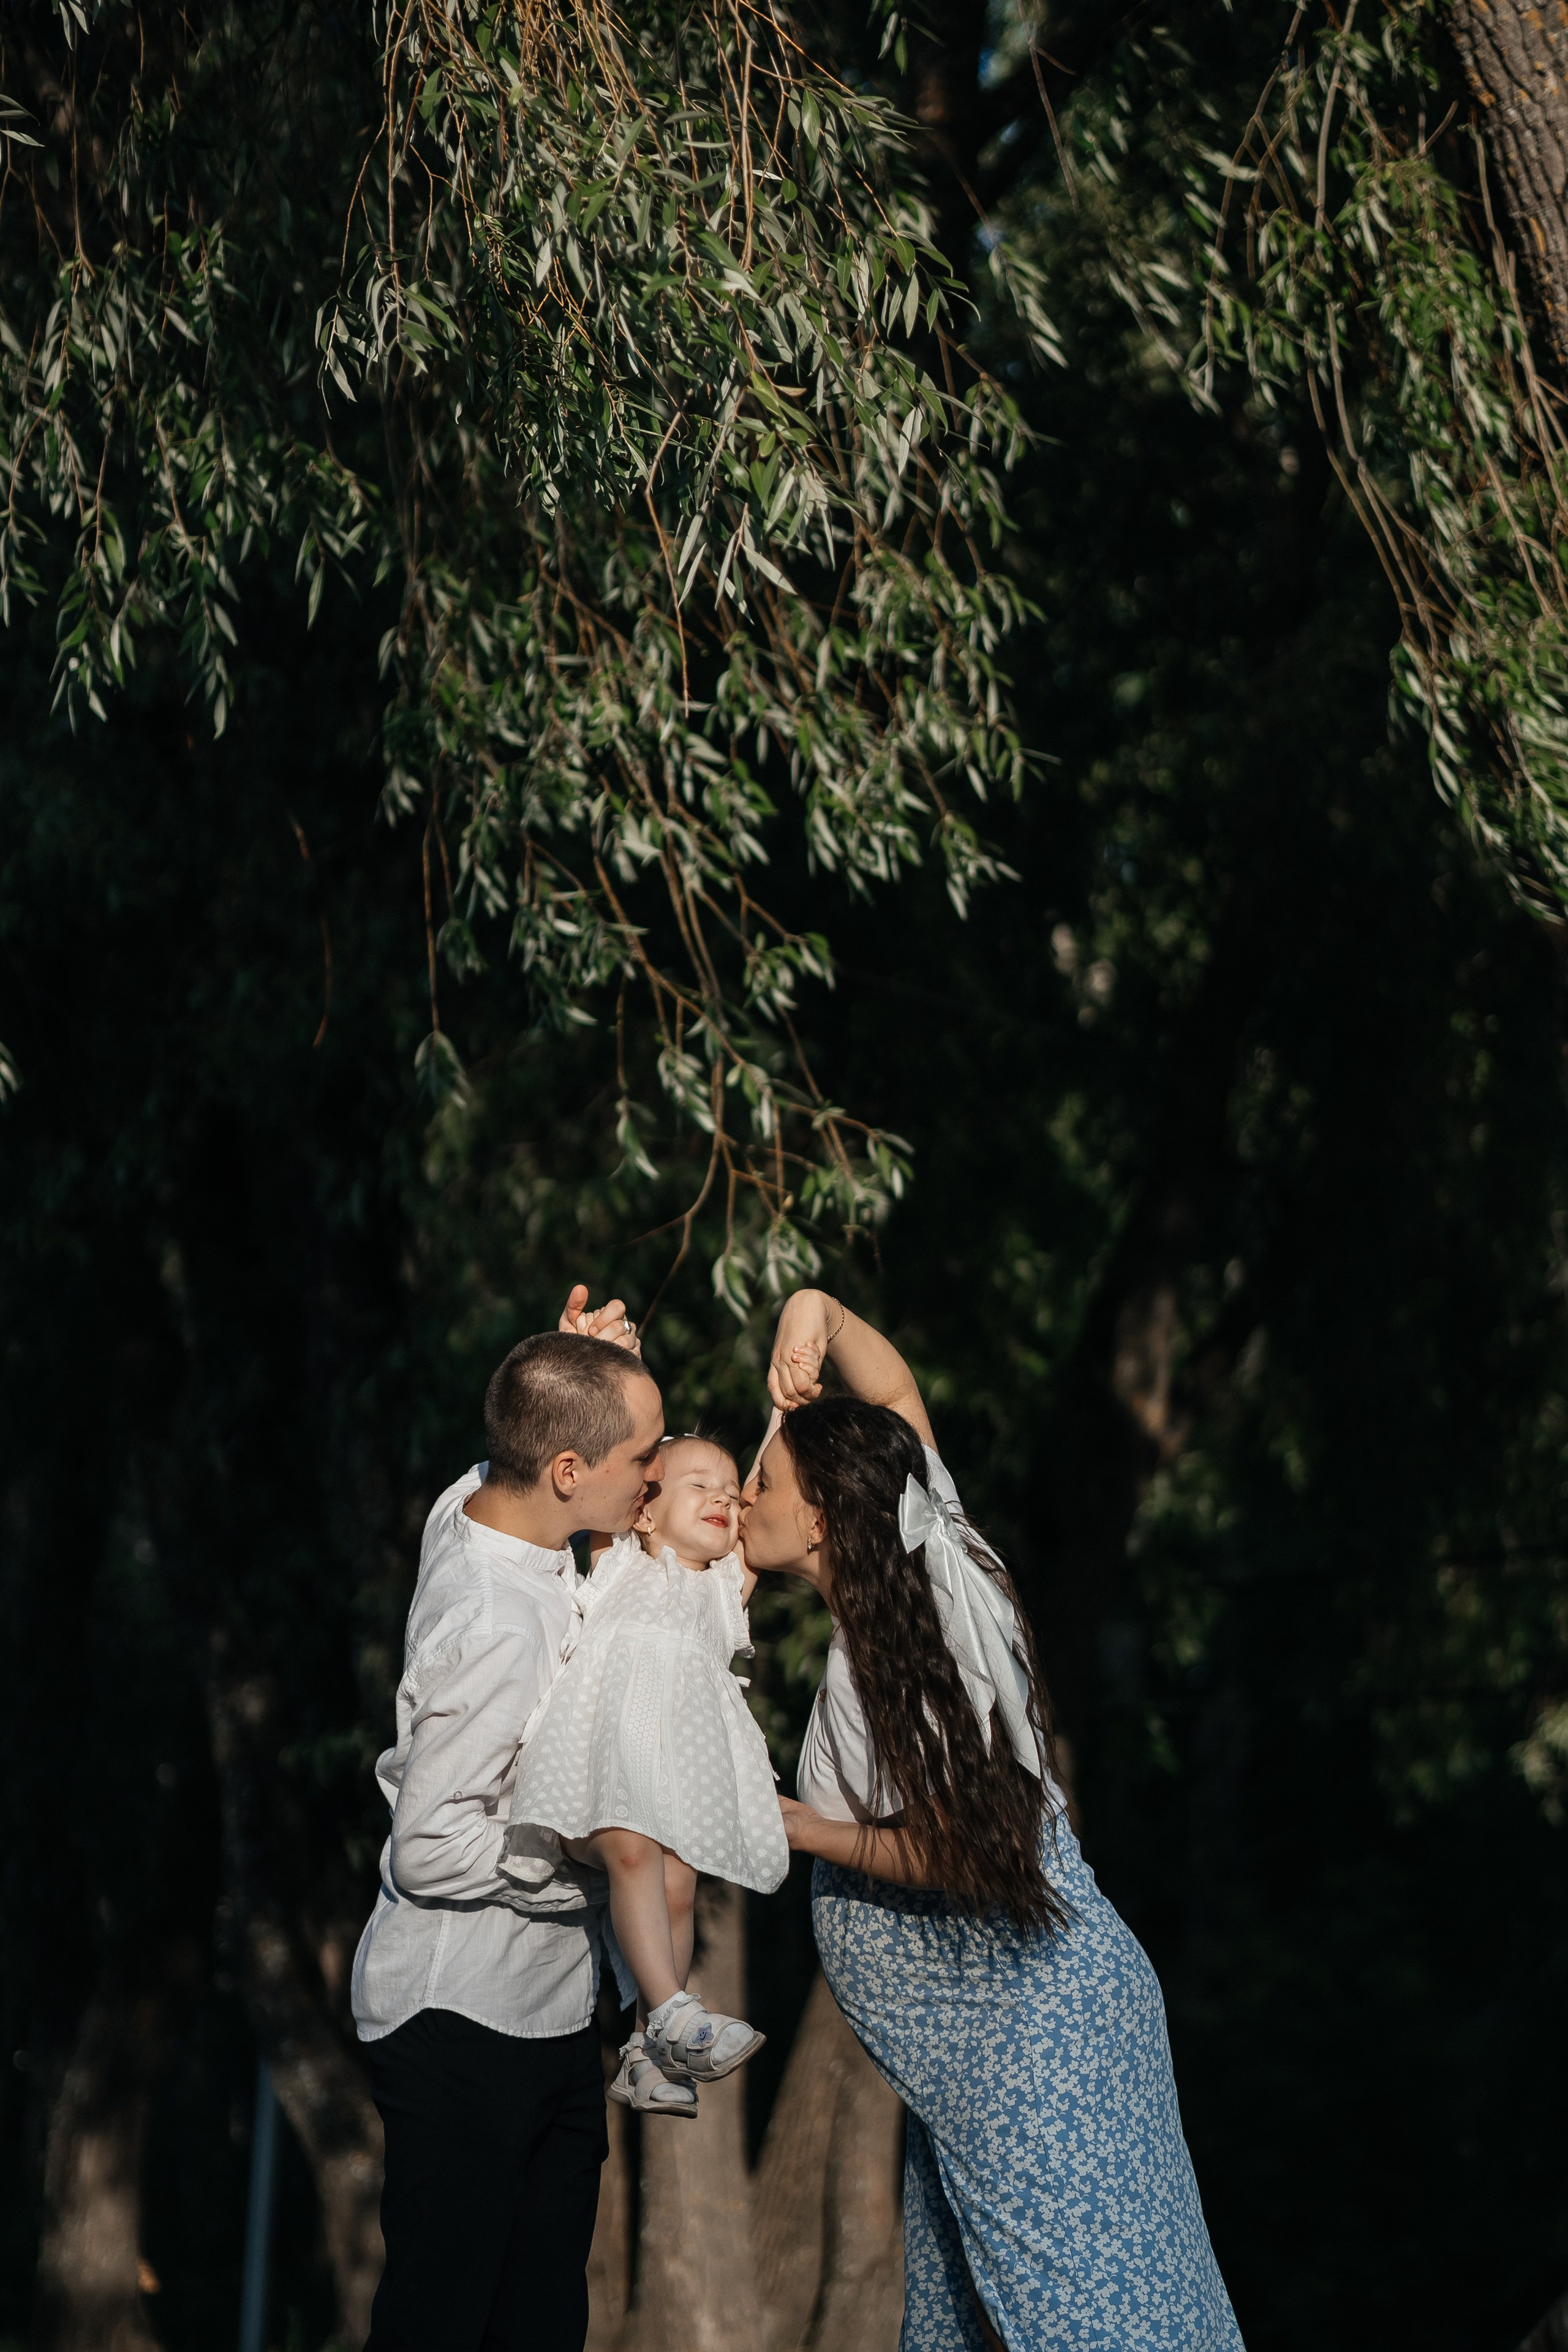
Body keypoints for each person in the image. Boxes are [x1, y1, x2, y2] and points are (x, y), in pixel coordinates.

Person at [742, 1289, 1246, 2352]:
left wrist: (812, 1832)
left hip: (1034, 2055)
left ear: (822, 1518)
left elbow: (984, 1846)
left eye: (764, 1484)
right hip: (1000, 2052)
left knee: (1093, 2323)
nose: (746, 1499)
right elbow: (894, 1393)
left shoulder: (886, 1657)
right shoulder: (933, 1541)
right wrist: (815, 1311)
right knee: (974, 2322)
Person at [350, 1286, 661, 2352]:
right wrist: (581, 1855)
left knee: (539, 2325)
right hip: (463, 2021)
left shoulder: (479, 1508)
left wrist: (577, 1366)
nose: (655, 1474)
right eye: (642, 1456)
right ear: (567, 1471)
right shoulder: (496, 1620)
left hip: (549, 2014)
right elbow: (430, 1844)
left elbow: (515, 1445)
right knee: (446, 2325)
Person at [506, 1433, 787, 2117]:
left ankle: (645, 2055)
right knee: (632, 1849)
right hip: (590, 1783)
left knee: (679, 1887)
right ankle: (672, 2013)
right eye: (699, 1485)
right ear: (643, 1509)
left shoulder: (724, 1592)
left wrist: (783, 1414)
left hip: (671, 1792)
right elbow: (611, 1455)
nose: (723, 1499)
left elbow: (763, 1484)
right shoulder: (619, 1561)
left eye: (730, 1494)